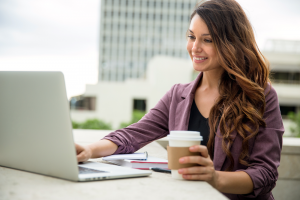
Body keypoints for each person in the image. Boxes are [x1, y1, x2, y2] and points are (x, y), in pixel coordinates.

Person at [75, 0, 284, 199]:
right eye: (192, 36)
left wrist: (215, 178)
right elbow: (132, 136)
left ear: (231, 44)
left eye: (207, 40)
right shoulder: (178, 96)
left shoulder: (260, 96)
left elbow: (265, 174)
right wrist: (90, 150)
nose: (195, 47)